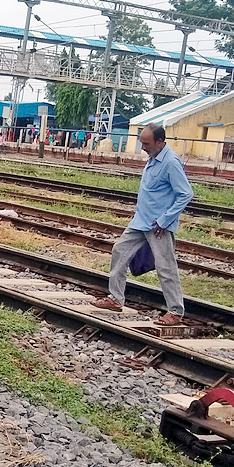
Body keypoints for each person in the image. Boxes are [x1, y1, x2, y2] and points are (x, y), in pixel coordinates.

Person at [93, 125, 194, 326]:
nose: (143, 147)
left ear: (159, 142)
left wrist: (166, 220)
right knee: (120, 250)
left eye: (146, 143)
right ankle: (115, 298)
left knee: (166, 267)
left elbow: (186, 194)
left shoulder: (170, 163)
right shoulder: (153, 158)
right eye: (142, 142)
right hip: (141, 221)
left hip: (159, 226)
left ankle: (175, 311)